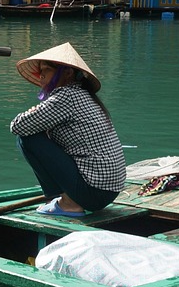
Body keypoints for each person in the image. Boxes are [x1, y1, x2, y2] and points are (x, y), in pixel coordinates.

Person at [9, 43, 126, 217]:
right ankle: (65, 199)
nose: (41, 75)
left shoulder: (67, 96)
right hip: (108, 191)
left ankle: (69, 203)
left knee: (26, 138)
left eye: (46, 70)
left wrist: (33, 112)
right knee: (34, 132)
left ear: (68, 73)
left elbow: (18, 126)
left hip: (94, 191)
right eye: (40, 71)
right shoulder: (82, 94)